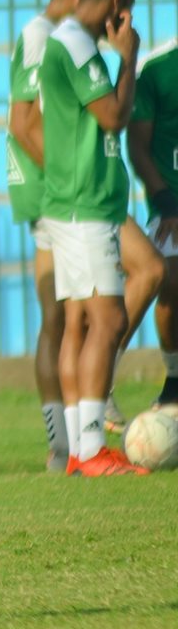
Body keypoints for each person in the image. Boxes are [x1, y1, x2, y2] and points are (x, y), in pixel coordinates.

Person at [10, 0, 163, 469]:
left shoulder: (70, 42)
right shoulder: (76, 44)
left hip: (78, 203)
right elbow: (114, 116)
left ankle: (79, 448)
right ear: (117, 0)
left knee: (80, 322)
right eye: (129, 6)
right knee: (108, 319)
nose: (130, 17)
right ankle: (92, 447)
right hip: (85, 206)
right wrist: (129, 57)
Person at [129, 36, 178, 408]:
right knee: (171, 283)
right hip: (171, 203)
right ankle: (175, 379)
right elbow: (137, 147)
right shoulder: (156, 68)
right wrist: (165, 202)